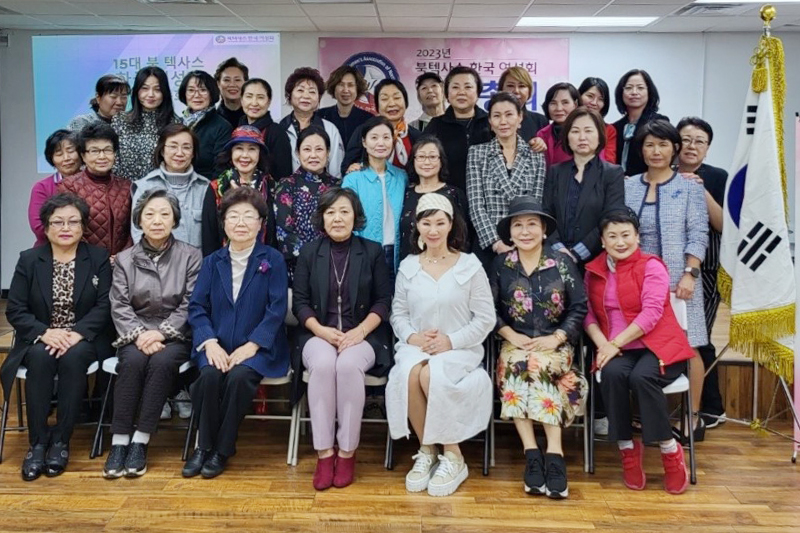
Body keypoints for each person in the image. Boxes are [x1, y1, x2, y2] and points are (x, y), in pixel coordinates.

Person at [386, 193, 495, 497]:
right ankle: (427, 451)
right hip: (417, 345)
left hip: (460, 348)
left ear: (450, 225)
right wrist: (412, 337)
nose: (432, 230)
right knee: (408, 374)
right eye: (426, 223)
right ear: (417, 227)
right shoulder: (408, 266)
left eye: (439, 223)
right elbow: (399, 313)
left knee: (430, 375)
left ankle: (454, 456)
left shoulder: (470, 266)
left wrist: (451, 340)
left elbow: (485, 318)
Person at [2, 193, 112, 481]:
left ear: (83, 226)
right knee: (39, 358)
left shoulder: (98, 258)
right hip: (41, 336)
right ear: (46, 227)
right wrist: (44, 333)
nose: (66, 227)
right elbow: (15, 308)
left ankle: (61, 441)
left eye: (73, 221)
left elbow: (105, 305)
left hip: (83, 339)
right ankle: (38, 444)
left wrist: (77, 333)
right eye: (58, 222)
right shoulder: (29, 260)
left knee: (73, 359)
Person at [584, 209, 693, 495]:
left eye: (626, 235)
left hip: (658, 345)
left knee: (642, 378)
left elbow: (651, 313)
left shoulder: (652, 266)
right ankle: (627, 451)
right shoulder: (593, 271)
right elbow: (588, 316)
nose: (620, 242)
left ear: (637, 236)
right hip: (616, 349)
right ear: (603, 241)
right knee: (612, 375)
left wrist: (614, 344)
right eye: (613, 236)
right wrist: (602, 345)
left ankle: (671, 452)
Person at [183, 186, 289, 479]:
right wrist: (209, 342)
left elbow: (277, 309)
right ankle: (203, 447)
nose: (240, 222)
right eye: (233, 216)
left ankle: (223, 449)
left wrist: (253, 345)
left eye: (248, 216)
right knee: (208, 377)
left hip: (258, 349)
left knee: (240, 378)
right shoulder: (211, 261)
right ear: (224, 223)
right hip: (216, 344)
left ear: (260, 223)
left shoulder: (273, 260)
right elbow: (196, 308)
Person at [292, 187, 393, 490]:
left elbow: (383, 301)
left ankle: (347, 452)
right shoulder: (310, 252)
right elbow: (299, 302)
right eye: (331, 212)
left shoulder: (372, 251)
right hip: (318, 333)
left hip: (364, 334)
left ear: (355, 216)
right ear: (322, 218)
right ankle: (324, 454)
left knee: (348, 367)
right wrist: (321, 331)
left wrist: (360, 330)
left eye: (344, 211)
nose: (338, 218)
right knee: (323, 366)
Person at [490, 196, 587, 499]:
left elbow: (580, 308)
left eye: (532, 224)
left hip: (555, 345)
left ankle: (554, 455)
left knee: (538, 365)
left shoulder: (562, 263)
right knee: (521, 364)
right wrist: (509, 334)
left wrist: (557, 337)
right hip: (514, 343)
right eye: (518, 225)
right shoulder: (501, 265)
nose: (525, 231)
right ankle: (533, 454)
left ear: (544, 229)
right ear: (510, 232)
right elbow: (486, 309)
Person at [103, 189, 202, 479]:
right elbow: (119, 303)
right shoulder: (124, 259)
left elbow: (191, 302)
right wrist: (139, 334)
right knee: (131, 362)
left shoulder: (191, 256)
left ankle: (140, 441)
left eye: (164, 214)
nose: (157, 220)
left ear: (174, 220)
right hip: (134, 332)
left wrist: (161, 333)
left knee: (160, 363)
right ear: (139, 220)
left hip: (176, 335)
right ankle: (119, 441)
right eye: (149, 214)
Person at [624, 120, 709, 441]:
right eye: (649, 145)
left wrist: (690, 273)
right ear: (641, 149)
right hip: (639, 283)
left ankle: (692, 416)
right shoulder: (629, 185)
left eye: (662, 144)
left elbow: (698, 232)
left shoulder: (689, 186)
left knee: (689, 347)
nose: (655, 151)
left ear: (674, 148)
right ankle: (641, 417)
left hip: (681, 282)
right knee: (642, 345)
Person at [676, 116, 728, 429]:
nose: (692, 146)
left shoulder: (718, 177)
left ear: (707, 149)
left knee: (700, 338)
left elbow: (724, 225)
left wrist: (701, 189)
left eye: (700, 141)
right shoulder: (664, 175)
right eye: (686, 139)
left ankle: (710, 409)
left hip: (705, 270)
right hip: (669, 269)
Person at [466, 92, 546, 266]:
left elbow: (535, 204)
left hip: (525, 243)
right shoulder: (477, 153)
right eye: (497, 116)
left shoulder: (536, 156)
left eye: (509, 114)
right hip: (488, 244)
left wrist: (522, 240)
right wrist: (496, 243)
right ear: (490, 122)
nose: (503, 121)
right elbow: (476, 205)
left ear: (520, 118)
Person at [543, 107, 625, 266]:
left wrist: (577, 253)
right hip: (555, 259)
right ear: (567, 136)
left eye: (588, 131)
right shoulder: (555, 171)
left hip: (597, 260)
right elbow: (546, 213)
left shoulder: (612, 173)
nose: (582, 137)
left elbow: (611, 218)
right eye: (575, 131)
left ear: (600, 135)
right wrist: (559, 249)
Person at [341, 116, 408, 274]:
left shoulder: (401, 176)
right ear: (364, 142)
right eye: (374, 137)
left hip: (396, 253)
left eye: (386, 137)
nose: (380, 143)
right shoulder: (352, 179)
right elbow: (346, 219)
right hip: (363, 253)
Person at [274, 126, 338, 283]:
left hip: (334, 266)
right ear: (297, 153)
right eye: (307, 149)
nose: (313, 155)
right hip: (297, 269)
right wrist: (314, 257)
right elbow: (283, 232)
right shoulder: (286, 185)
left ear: (328, 152)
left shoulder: (338, 187)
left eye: (319, 149)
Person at [58, 122, 132, 259]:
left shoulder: (126, 186)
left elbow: (132, 230)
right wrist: (98, 258)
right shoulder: (69, 186)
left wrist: (123, 256)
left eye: (108, 150)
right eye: (94, 151)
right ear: (83, 156)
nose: (102, 157)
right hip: (85, 263)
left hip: (122, 265)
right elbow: (68, 229)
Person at [130, 123, 209, 248]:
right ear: (162, 150)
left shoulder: (205, 187)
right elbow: (137, 231)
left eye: (186, 147)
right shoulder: (145, 186)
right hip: (156, 264)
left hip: (198, 264)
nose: (179, 153)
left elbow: (212, 235)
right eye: (173, 146)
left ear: (193, 153)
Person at [201, 125, 274, 256]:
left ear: (259, 154)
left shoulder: (271, 186)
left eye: (252, 149)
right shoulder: (216, 188)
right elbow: (209, 236)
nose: (245, 155)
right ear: (231, 153)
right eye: (239, 148)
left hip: (264, 264)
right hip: (223, 263)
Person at [425, 66, 492, 193]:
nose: (461, 92)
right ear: (447, 94)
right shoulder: (436, 125)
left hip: (487, 197)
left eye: (468, 87)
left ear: (478, 92)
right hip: (447, 197)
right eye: (455, 87)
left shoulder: (491, 123)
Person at [399, 136, 467, 261]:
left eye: (432, 157)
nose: (426, 162)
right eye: (421, 157)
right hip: (409, 267)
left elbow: (462, 236)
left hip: (446, 267)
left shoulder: (454, 194)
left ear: (441, 161)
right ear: (413, 161)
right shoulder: (405, 193)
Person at [112, 66, 179, 181]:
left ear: (165, 92)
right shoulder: (120, 121)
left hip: (162, 192)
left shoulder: (175, 123)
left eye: (157, 89)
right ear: (137, 91)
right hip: (124, 191)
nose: (151, 94)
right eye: (145, 88)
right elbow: (113, 160)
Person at [342, 79, 422, 174]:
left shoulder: (417, 136)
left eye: (397, 98)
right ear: (377, 106)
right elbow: (346, 167)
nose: (392, 104)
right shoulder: (364, 131)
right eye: (384, 99)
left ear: (406, 102)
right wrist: (353, 168)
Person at [279, 67, 345, 179]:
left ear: (318, 98)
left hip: (324, 192)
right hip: (286, 192)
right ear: (289, 95)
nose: (306, 96)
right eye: (300, 90)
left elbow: (336, 169)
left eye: (312, 92)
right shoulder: (280, 128)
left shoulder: (329, 129)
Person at [30, 130, 82, 246]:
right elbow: (39, 227)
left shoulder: (92, 184)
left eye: (71, 151)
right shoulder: (42, 187)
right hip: (48, 251)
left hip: (87, 252)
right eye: (59, 154)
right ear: (52, 159)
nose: (66, 158)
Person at [613, 69, 669, 176]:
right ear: (621, 92)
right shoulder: (615, 127)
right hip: (617, 185)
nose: (634, 92)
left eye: (640, 88)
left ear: (649, 92)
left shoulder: (659, 123)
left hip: (647, 182)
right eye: (629, 88)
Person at [178, 70, 232, 179]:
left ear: (211, 93)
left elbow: (220, 170)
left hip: (205, 188)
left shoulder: (222, 127)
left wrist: (210, 193)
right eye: (191, 90)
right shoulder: (177, 123)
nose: (196, 95)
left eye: (203, 90)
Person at [239, 78, 293, 180]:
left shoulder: (277, 133)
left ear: (268, 102)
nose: (254, 103)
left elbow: (283, 176)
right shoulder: (237, 130)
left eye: (260, 97)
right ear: (241, 100)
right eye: (249, 96)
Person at [318, 65, 373, 146]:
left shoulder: (368, 120)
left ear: (357, 89)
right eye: (341, 84)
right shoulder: (320, 116)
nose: (346, 90)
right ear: (334, 87)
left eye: (350, 85)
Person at [530, 82, 580, 168]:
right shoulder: (541, 134)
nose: (559, 108)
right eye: (553, 103)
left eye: (565, 102)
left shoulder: (583, 133)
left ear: (575, 105)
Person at [498, 66, 548, 141]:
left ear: (529, 91)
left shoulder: (540, 121)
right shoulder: (490, 120)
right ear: (501, 89)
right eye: (510, 86)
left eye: (522, 86)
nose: (516, 91)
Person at [578, 77, 617, 163]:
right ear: (579, 95)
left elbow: (609, 161)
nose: (594, 103)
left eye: (601, 99)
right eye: (590, 96)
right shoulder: (567, 125)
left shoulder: (609, 130)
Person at [214, 57, 249, 127]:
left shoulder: (256, 117)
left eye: (237, 80)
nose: (232, 84)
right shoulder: (212, 120)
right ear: (218, 84)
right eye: (227, 80)